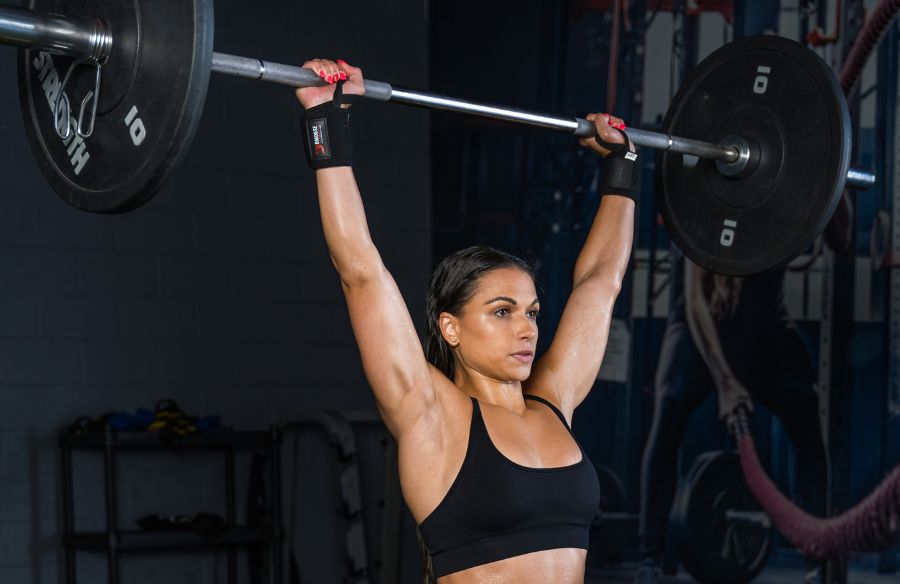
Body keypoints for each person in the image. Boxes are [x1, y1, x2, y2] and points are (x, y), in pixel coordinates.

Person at [296, 57, 638, 583]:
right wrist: (327, 121)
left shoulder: (554, 404)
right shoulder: (428, 411)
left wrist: (623, 166)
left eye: (531, 312)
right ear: (450, 327)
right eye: (501, 312)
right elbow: (361, 271)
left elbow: (601, 282)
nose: (526, 329)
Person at [632, 196, 854, 584]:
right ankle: (649, 557)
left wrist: (836, 169)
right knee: (669, 405)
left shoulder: (791, 180)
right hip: (699, 322)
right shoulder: (709, 189)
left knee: (805, 413)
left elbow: (840, 239)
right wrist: (726, 382)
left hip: (762, 319)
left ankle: (817, 558)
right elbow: (698, 301)